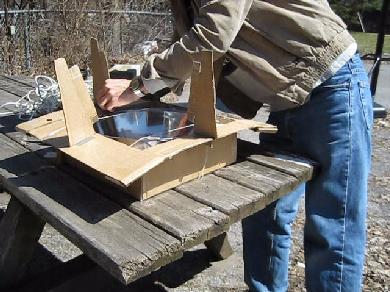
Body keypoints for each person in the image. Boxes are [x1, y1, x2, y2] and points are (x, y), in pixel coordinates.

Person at [97, 1, 373, 291]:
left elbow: (213, 35)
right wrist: (178, 101)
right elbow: (186, 44)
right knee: (265, 214)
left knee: (332, 229)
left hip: (332, 86)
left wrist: (137, 85)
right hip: (282, 99)